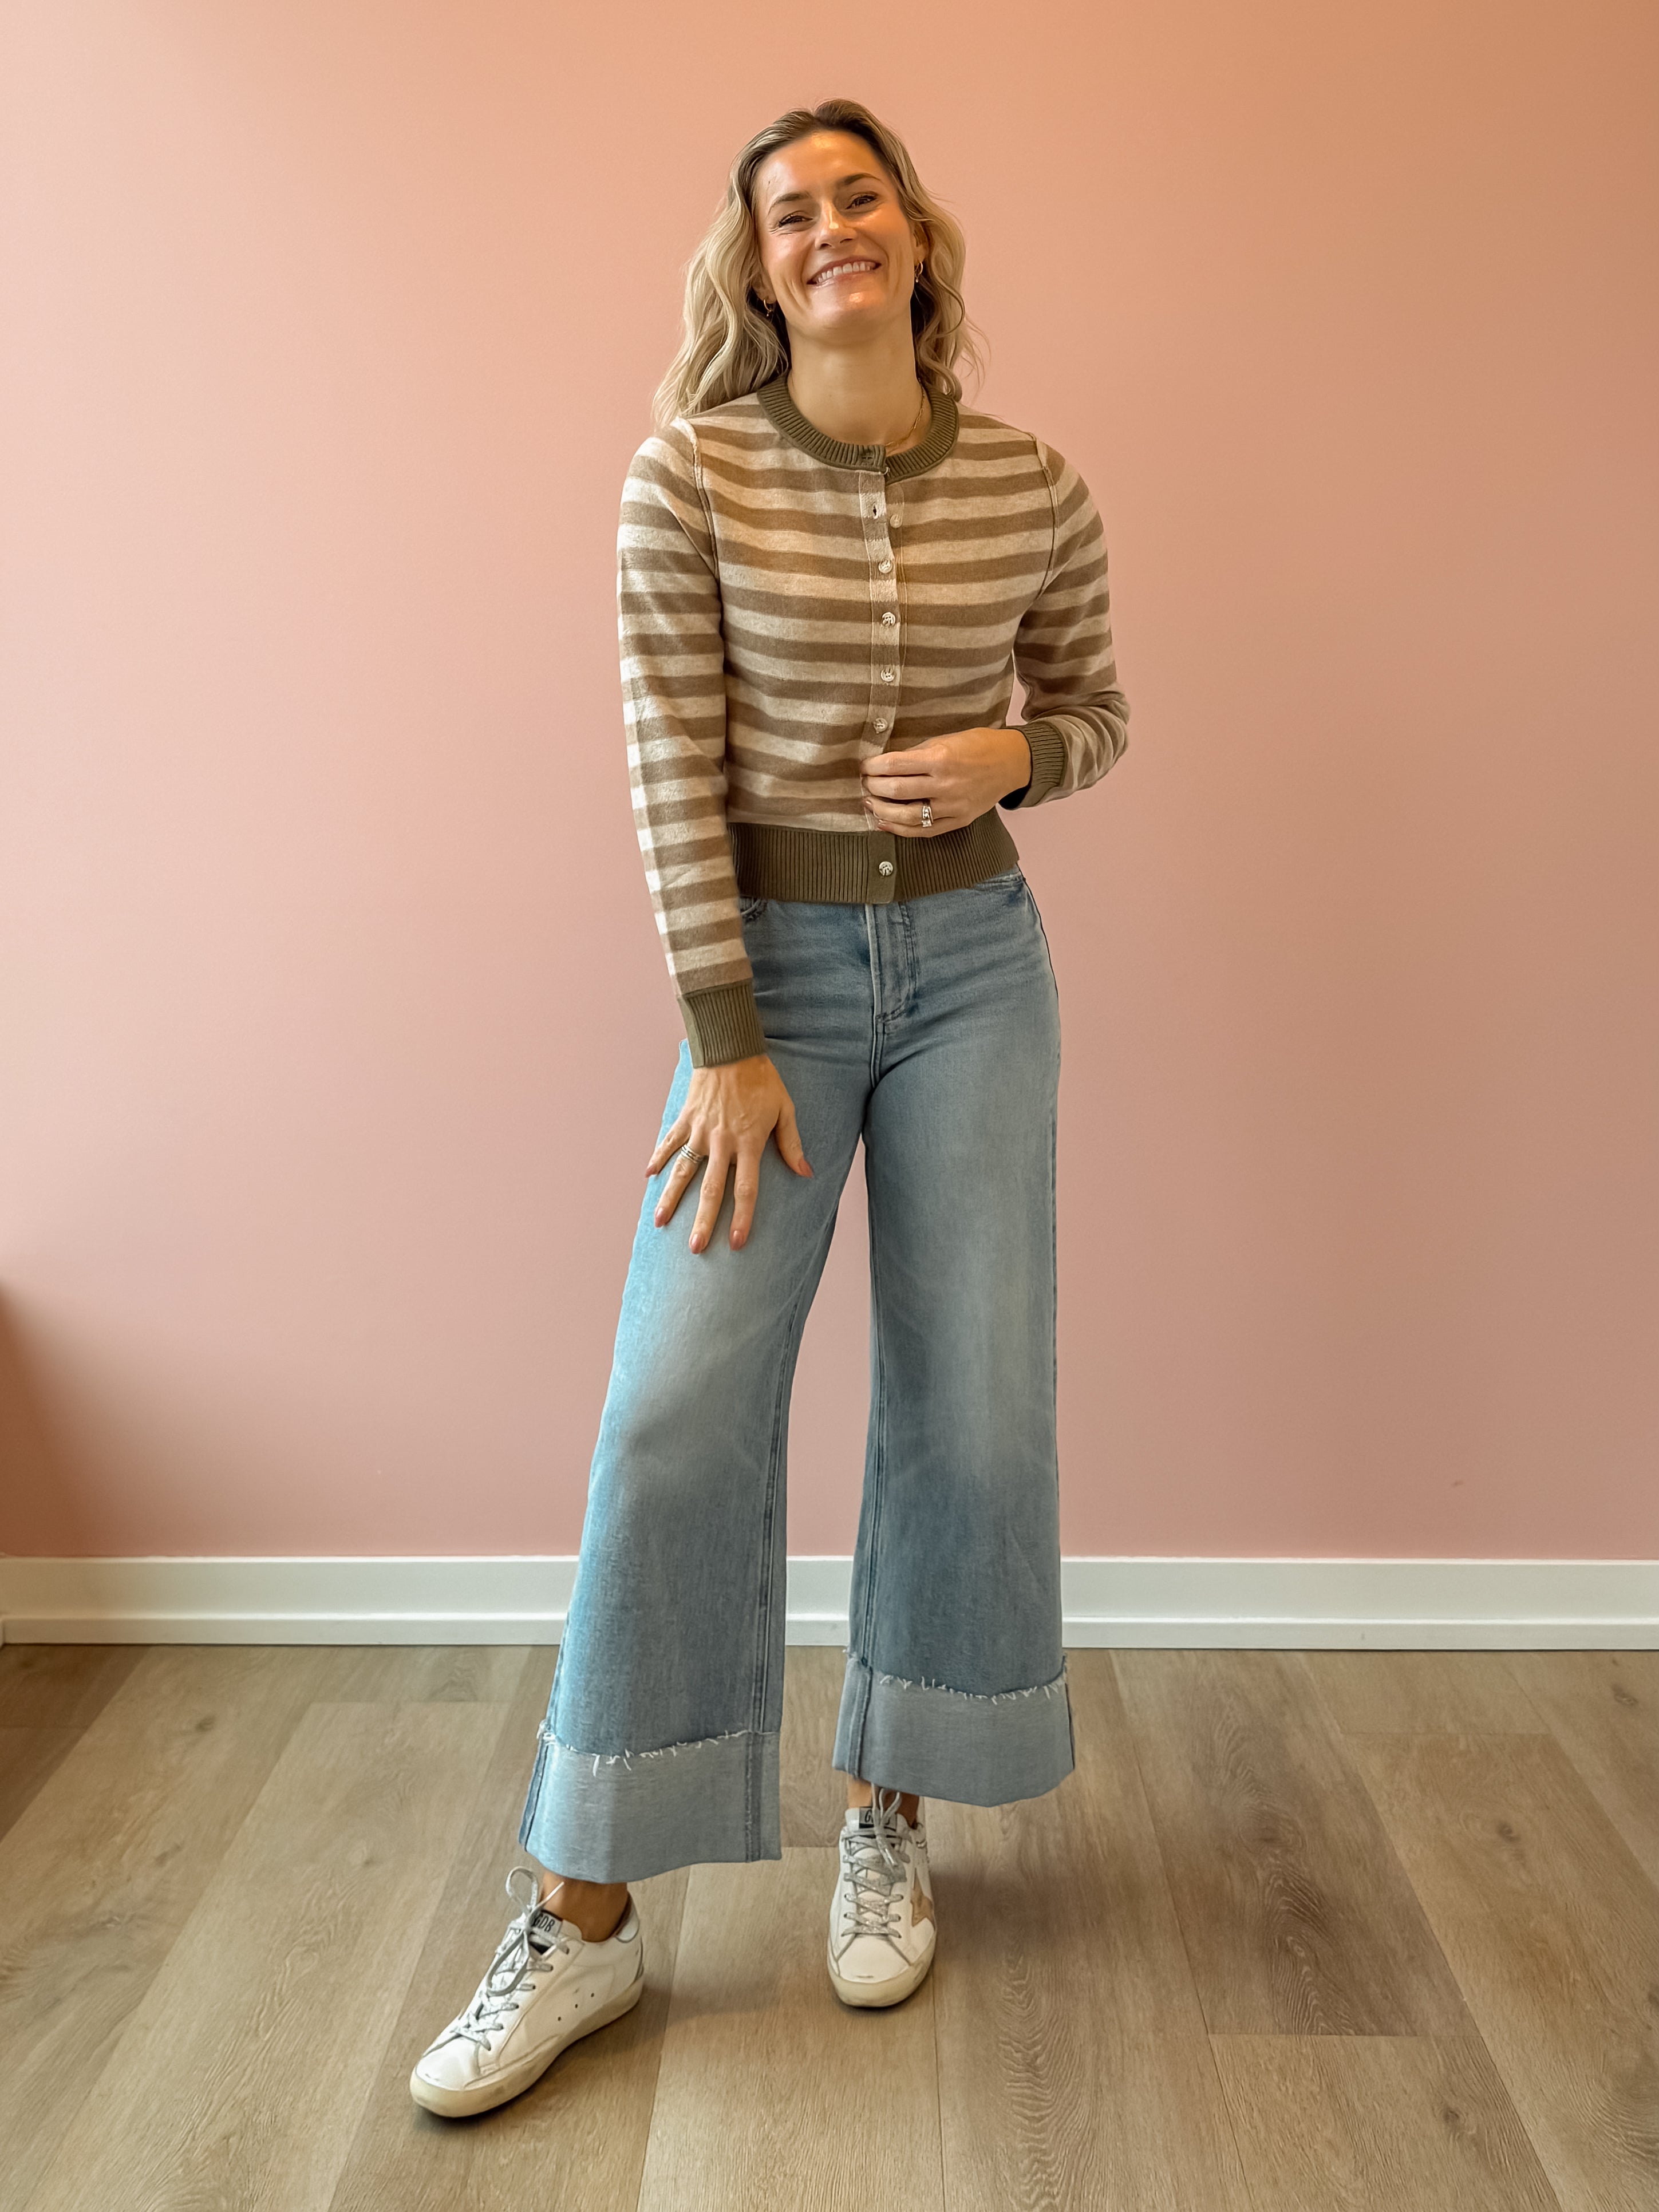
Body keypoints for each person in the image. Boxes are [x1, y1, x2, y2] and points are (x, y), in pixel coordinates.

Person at [410, 96, 1128, 2119]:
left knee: (971, 1402)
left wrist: (1012, 756)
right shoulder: (693, 476)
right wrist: (722, 1033)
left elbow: (1094, 709)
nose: (829, 229)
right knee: (674, 1408)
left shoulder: (1033, 482)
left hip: (979, 973)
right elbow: (669, 765)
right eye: (790, 213)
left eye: (856, 196)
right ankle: (581, 1916)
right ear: (756, 266)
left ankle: (889, 1810)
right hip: (771, 997)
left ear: (915, 233)